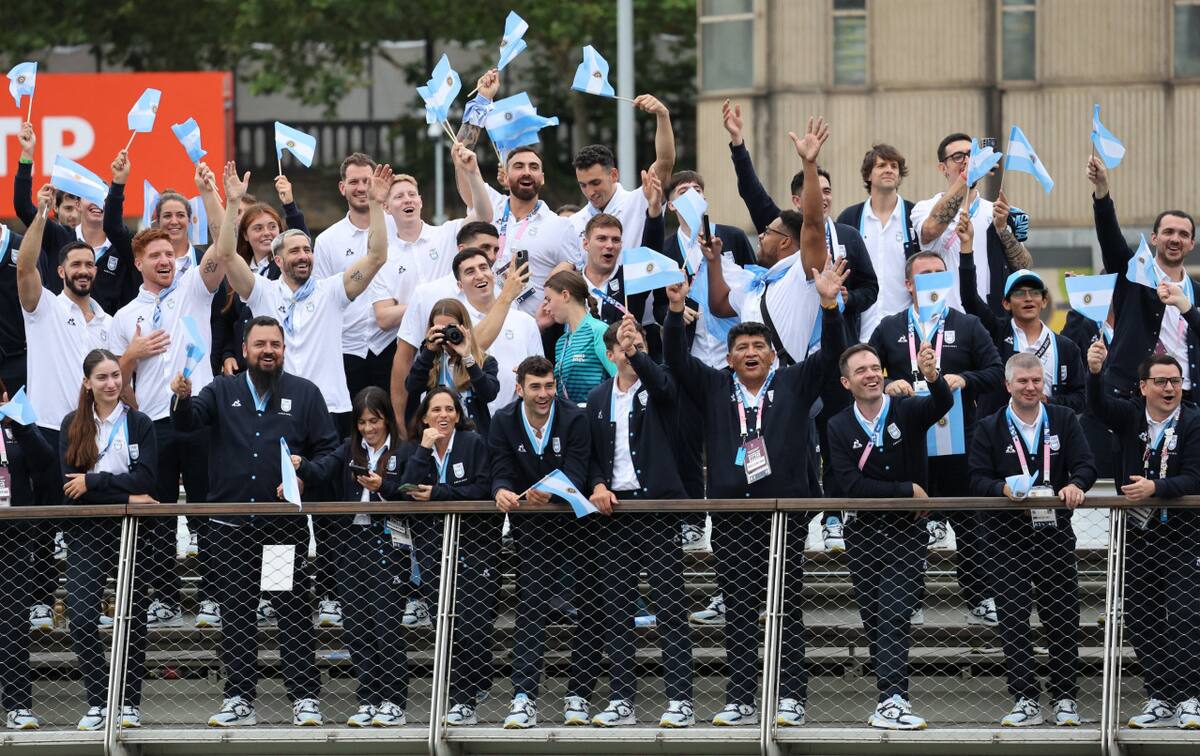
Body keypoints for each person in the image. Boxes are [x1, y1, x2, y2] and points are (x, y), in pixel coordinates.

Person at [170, 316, 339, 727]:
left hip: (279, 530)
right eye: (260, 344)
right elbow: (187, 423)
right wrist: (180, 398)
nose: (269, 351)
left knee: (290, 611)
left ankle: (304, 698)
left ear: (284, 350)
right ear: (244, 350)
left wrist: (306, 474)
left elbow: (331, 451)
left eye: (276, 345)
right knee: (237, 613)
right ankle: (239, 699)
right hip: (229, 531)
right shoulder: (221, 389)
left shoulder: (304, 394)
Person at [109, 205, 229, 631]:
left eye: (169, 256)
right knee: (155, 514)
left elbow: (223, 249)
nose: (164, 262)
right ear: (139, 262)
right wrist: (130, 356)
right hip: (154, 424)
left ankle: (215, 598)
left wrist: (221, 199)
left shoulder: (194, 289)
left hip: (197, 417)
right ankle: (163, 596)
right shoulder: (125, 317)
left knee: (206, 508)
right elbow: (112, 382)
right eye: (154, 256)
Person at [868, 250, 1004, 625]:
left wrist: (965, 379)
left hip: (962, 440)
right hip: (908, 442)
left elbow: (996, 371)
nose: (931, 282)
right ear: (908, 284)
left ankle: (979, 595)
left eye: (938, 275)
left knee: (970, 519)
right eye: (923, 275)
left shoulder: (969, 325)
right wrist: (887, 383)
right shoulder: (889, 327)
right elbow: (865, 373)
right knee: (910, 521)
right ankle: (909, 600)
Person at [968, 352, 1096, 727]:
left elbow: (1087, 464)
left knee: (1063, 618)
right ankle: (1025, 697)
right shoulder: (989, 425)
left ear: (1045, 384)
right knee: (1013, 619)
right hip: (1005, 539)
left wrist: (1076, 484)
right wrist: (1002, 487)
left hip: (1053, 534)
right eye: (1023, 381)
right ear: (1008, 384)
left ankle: (1065, 697)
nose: (1030, 387)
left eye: (1037, 381)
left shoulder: (1064, 419)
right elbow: (975, 478)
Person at [828, 342, 950, 730]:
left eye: (875, 368)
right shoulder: (837, 425)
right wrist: (907, 491)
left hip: (906, 533)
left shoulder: (906, 409)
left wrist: (932, 377)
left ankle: (894, 698)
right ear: (847, 382)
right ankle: (888, 698)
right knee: (874, 619)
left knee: (895, 613)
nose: (870, 375)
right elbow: (849, 484)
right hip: (862, 535)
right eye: (861, 370)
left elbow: (940, 405)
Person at [583, 317, 696, 728]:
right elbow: (590, 453)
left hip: (656, 508)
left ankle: (681, 699)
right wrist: (596, 483)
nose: (632, 348)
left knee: (669, 604)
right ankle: (621, 700)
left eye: (639, 343)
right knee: (616, 609)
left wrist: (639, 353)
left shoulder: (659, 384)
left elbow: (665, 387)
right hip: (613, 513)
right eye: (624, 344)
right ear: (609, 354)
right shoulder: (597, 398)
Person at [1086, 343, 1200, 729]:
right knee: (1141, 617)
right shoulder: (1130, 416)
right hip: (1136, 534)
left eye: (1176, 381)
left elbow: (1196, 478)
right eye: (1161, 381)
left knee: (1185, 615)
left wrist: (1157, 487)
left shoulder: (1194, 421)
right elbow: (1098, 406)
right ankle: (1160, 696)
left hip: (1182, 534)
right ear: (1142, 387)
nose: (1170, 388)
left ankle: (1189, 697)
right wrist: (1096, 373)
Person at [295, 386, 414, 728]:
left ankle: (394, 700)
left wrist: (384, 488)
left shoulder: (403, 453)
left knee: (386, 624)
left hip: (389, 543)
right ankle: (368, 699)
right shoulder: (347, 449)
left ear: (386, 420)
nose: (368, 429)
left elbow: (411, 495)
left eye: (374, 421)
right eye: (362, 422)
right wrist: (301, 464)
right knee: (357, 625)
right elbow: (320, 472)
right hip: (351, 542)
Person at [720, 99, 878, 339]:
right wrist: (737, 143)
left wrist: (849, 297)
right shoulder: (781, 228)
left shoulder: (848, 235)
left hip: (839, 337)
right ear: (796, 201)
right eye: (817, 191)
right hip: (792, 340)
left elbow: (870, 288)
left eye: (827, 191)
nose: (823, 198)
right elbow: (752, 192)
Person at [489, 356, 591, 729]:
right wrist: (501, 490)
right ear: (519, 388)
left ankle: (579, 694)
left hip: (575, 524)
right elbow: (500, 467)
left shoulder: (574, 418)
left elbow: (578, 470)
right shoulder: (503, 420)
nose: (544, 393)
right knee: (531, 607)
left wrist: (551, 492)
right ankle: (523, 696)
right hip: (531, 528)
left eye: (549, 385)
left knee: (588, 609)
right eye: (535, 386)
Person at [59, 349, 158, 730]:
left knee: (130, 618)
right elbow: (68, 485)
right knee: (82, 617)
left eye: (116, 375)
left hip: (130, 529)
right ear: (88, 383)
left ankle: (128, 703)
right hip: (87, 531)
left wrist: (95, 483)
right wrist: (125, 492)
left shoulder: (141, 422)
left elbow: (147, 480)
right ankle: (101, 700)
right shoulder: (73, 423)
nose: (112, 383)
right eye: (102, 377)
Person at [355, 145, 493, 395]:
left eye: (412, 194)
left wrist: (472, 173)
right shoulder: (381, 256)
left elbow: (484, 217)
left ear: (420, 201)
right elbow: (383, 317)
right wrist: (424, 304)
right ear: (386, 207)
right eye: (398, 196)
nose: (407, 199)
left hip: (457, 343)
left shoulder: (447, 234)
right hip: (409, 351)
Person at [399, 388, 494, 726]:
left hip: (473, 547)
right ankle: (461, 699)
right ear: (424, 416)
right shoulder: (414, 448)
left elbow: (482, 489)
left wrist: (439, 494)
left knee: (472, 624)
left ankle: (476, 683)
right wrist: (425, 449)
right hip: (430, 550)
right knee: (447, 626)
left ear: (458, 414)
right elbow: (406, 489)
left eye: (449, 409)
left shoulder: (473, 443)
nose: (443, 415)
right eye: (436, 409)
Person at [1087, 155, 1200, 399]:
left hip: (1186, 398)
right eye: (1168, 232)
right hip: (1132, 393)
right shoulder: (1134, 275)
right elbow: (1109, 236)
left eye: (1183, 234)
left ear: (1192, 243)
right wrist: (1102, 189)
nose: (1175, 239)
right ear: (1154, 238)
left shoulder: (1196, 293)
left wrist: (1187, 307)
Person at [956, 216, 1085, 417]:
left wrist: (1049, 401)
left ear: (1044, 301)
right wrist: (966, 247)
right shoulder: (996, 333)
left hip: (1049, 435)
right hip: (1000, 435)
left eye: (1034, 293)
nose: (1028, 298)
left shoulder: (1065, 347)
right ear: (1006, 303)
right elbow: (969, 299)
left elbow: (1081, 397)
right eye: (1019, 293)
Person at [15, 124, 135, 314]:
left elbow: (114, 225)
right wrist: (27, 155)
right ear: (78, 204)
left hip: (107, 339)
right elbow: (23, 207)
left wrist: (118, 184)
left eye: (105, 197)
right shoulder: (59, 236)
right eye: (92, 196)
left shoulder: (124, 246)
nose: (99, 202)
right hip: (62, 335)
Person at [909, 132, 1032, 314]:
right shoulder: (925, 207)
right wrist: (967, 178)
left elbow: (1024, 267)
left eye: (972, 155)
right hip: (944, 317)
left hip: (990, 319)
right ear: (943, 168)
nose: (967, 161)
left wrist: (1003, 229)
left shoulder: (997, 210)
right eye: (958, 157)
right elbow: (930, 230)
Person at [0, 384, 59, 730]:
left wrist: (19, 420)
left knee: (12, 626)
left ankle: (19, 705)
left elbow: (46, 466)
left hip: (14, 537)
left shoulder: (17, 421)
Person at [480, 146, 584, 317]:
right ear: (505, 177)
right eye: (519, 166)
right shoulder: (490, 210)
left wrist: (567, 271)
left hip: (537, 329)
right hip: (487, 323)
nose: (527, 172)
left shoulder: (559, 226)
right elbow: (468, 180)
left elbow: (575, 275)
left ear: (542, 179)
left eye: (534, 167)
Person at [834, 144, 922, 341]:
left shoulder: (914, 216)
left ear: (899, 176)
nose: (889, 169)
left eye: (894, 166)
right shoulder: (849, 218)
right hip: (860, 328)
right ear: (868, 175)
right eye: (881, 165)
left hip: (906, 332)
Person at [567, 94, 675, 250]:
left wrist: (663, 115)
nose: (590, 192)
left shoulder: (640, 201)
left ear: (614, 175)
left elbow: (665, 162)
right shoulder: (574, 223)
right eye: (583, 185)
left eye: (595, 183)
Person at [403, 298, 499, 435]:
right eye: (440, 330)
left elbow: (489, 394)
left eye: (451, 327)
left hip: (473, 440)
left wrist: (468, 358)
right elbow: (412, 388)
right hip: (438, 438)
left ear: (464, 327)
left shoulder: (484, 361)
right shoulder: (428, 360)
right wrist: (429, 351)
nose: (446, 334)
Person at [543, 270, 616, 406]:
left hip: (596, 418)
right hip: (570, 421)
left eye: (548, 299)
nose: (546, 308)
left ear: (565, 295)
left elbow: (619, 377)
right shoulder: (560, 343)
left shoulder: (598, 330)